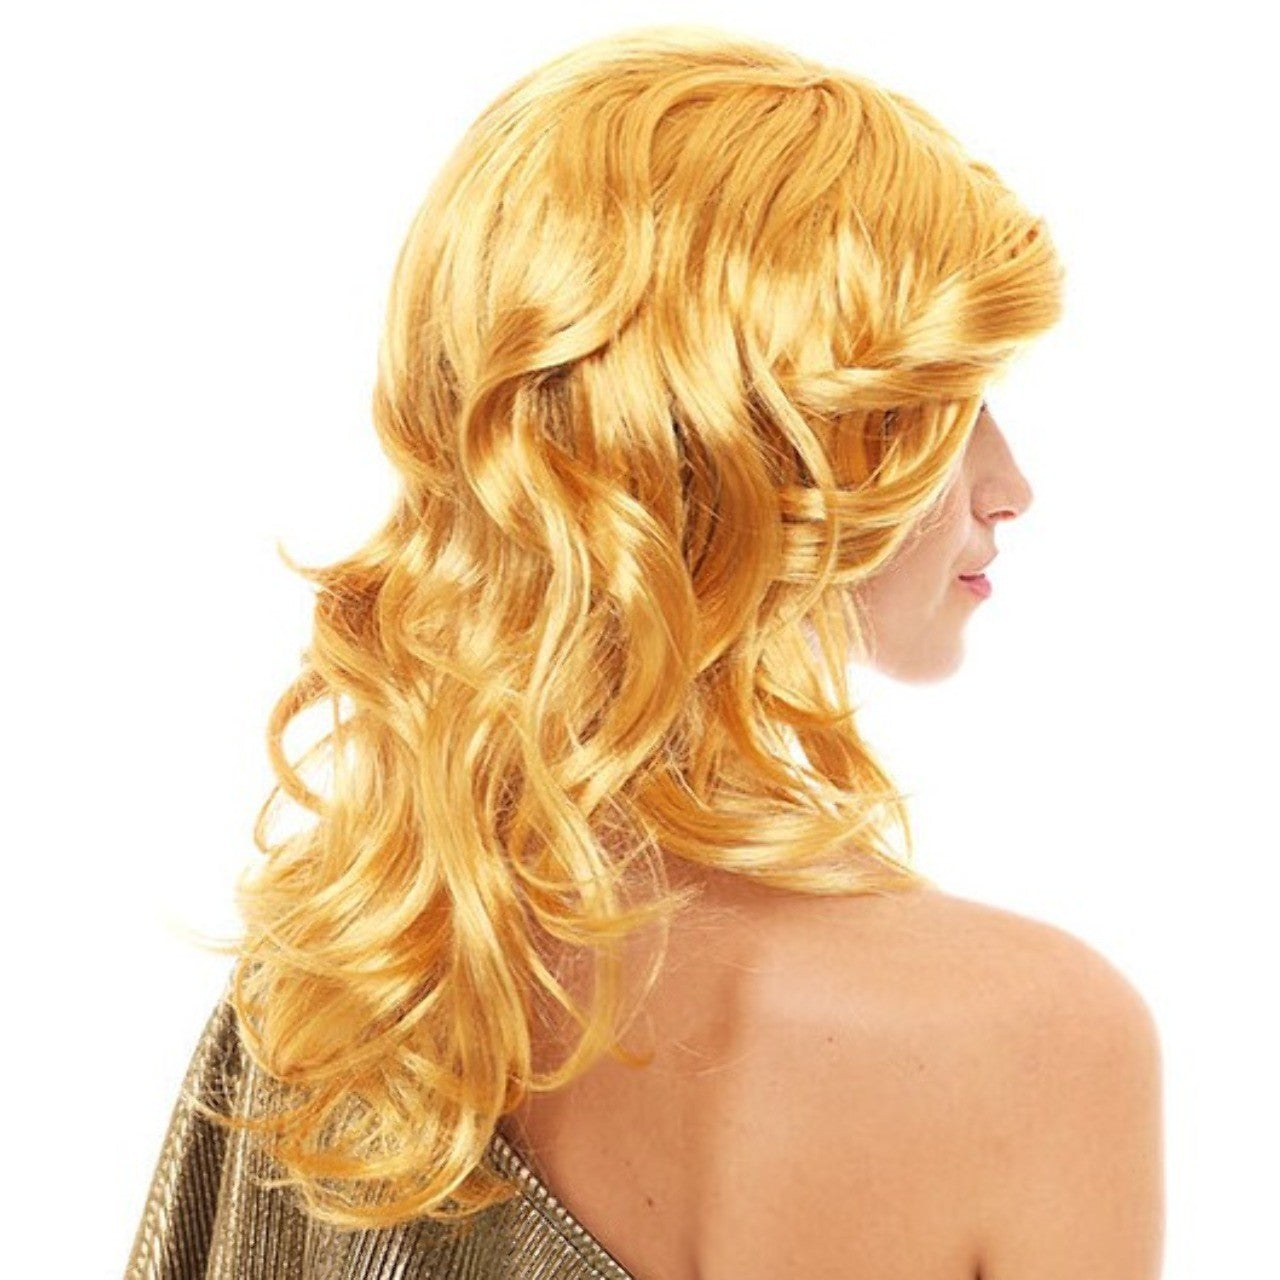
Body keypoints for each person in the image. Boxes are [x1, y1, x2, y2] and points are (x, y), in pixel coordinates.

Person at [124, 23, 1164, 1280]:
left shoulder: (342, 986)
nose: (1010, 485)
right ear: (763, 439)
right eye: (946, 409)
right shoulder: (1038, 1039)